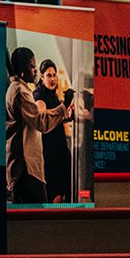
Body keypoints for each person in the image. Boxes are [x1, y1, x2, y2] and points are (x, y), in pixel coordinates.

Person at [6, 46, 73, 204]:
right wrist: (64, 106)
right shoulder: (20, 92)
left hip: (28, 169)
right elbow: (40, 121)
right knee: (40, 220)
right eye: (32, 66)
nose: (34, 70)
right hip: (26, 169)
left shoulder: (21, 90)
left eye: (54, 75)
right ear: (22, 69)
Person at [35, 58, 73, 203]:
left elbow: (55, 117)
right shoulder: (39, 95)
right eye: (49, 75)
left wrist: (67, 117)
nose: (52, 79)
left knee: (61, 188)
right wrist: (64, 106)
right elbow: (43, 120)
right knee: (54, 189)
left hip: (59, 146)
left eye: (54, 75)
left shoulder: (53, 94)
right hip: (49, 150)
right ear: (42, 77)